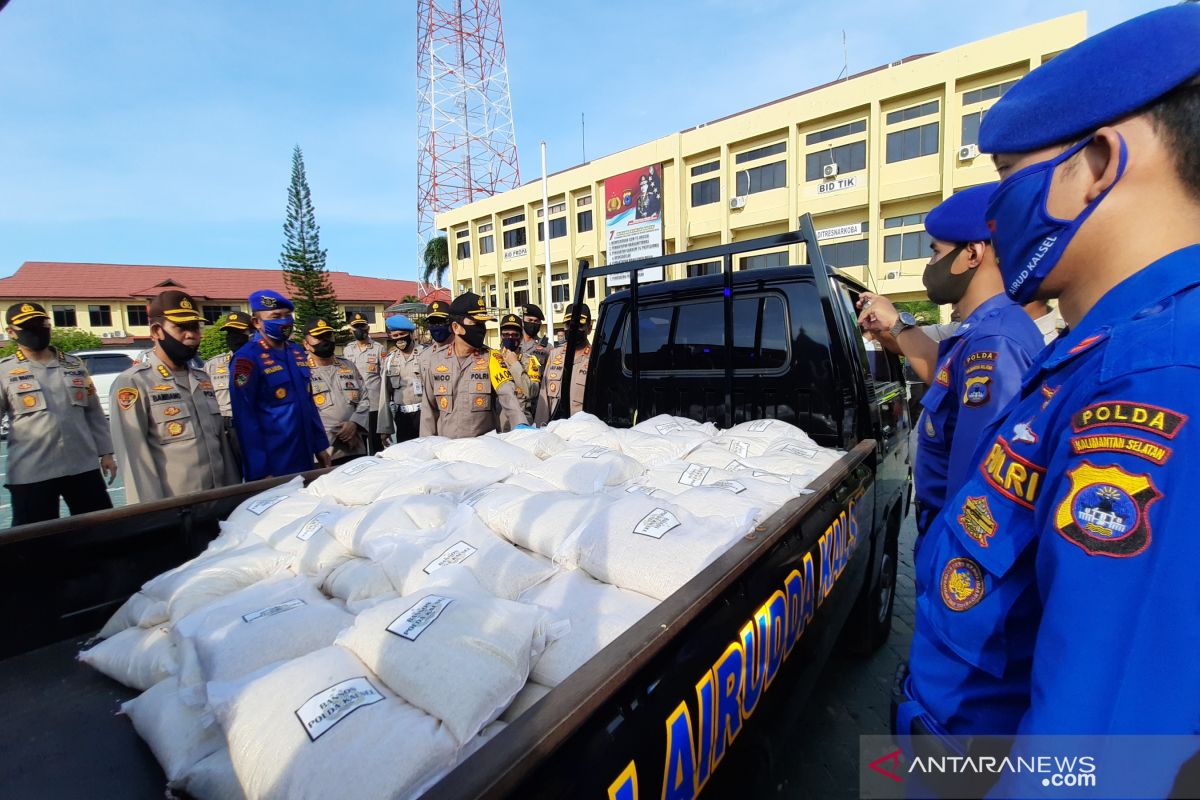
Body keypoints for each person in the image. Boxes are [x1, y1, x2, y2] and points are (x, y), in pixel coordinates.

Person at [896, 7, 1200, 796]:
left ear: (1098, 161)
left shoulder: (1157, 375)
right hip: (947, 748)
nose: (995, 219)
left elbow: (1099, 759)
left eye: (1009, 181)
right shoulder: (1096, 351)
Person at [858, 184, 1043, 540]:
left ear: (973, 253)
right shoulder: (979, 332)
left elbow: (980, 487)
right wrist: (891, 325)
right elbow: (931, 358)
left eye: (935, 251)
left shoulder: (995, 343)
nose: (931, 264)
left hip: (959, 546)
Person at [109, 291, 239, 503]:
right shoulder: (135, 382)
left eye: (195, 327)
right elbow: (135, 459)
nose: (191, 335)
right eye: (181, 327)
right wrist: (152, 516)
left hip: (218, 500)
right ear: (156, 331)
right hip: (176, 507)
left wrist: (233, 496)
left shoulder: (203, 378)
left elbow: (220, 444)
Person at [0, 302, 115, 525]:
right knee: (34, 540)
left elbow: (93, 412)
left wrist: (106, 452)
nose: (37, 330)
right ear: (12, 332)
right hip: (32, 471)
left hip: (82, 465)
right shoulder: (5, 371)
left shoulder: (73, 365)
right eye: (28, 326)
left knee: (101, 529)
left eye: (41, 324)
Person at [229, 290, 331, 481]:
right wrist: (260, 470)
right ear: (257, 322)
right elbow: (245, 419)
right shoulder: (246, 359)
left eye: (287, 316)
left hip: (304, 453)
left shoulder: (296, 352)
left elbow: (308, 403)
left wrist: (320, 445)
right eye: (275, 317)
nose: (284, 322)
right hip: (273, 462)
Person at [418, 292, 526, 438]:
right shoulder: (436, 361)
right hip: (447, 451)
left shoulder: (492, 358)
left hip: (482, 451)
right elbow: (428, 411)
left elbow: (508, 397)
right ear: (456, 327)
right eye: (476, 324)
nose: (481, 329)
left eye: (483, 324)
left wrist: (521, 427)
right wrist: (426, 449)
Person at [303, 318, 370, 465]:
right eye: (319, 337)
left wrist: (354, 424)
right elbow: (304, 412)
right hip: (323, 452)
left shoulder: (348, 365)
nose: (325, 341)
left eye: (328, 335)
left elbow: (365, 398)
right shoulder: (302, 371)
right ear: (306, 344)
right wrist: (340, 432)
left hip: (355, 447)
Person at [535, 303, 593, 425]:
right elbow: (544, 399)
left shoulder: (595, 358)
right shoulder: (555, 355)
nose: (573, 329)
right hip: (555, 431)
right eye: (569, 325)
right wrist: (540, 429)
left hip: (583, 433)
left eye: (579, 325)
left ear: (589, 328)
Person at [376, 314, 424, 446]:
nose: (399, 338)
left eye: (402, 334)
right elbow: (384, 395)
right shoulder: (390, 360)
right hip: (402, 417)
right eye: (395, 336)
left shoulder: (425, 355)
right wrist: (385, 429)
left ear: (411, 334)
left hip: (424, 415)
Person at [344, 312, 386, 455]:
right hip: (356, 406)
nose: (359, 330)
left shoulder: (378, 348)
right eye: (356, 327)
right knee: (358, 448)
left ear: (368, 328)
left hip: (374, 405)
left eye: (362, 326)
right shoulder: (347, 350)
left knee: (376, 446)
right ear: (351, 329)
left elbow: (384, 377)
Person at [205, 310, 253, 419]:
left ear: (252, 333)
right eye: (230, 333)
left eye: (238, 332)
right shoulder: (213, 365)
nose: (233, 337)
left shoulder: (265, 362)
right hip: (228, 428)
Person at [499, 313, 541, 424]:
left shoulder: (530, 361)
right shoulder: (493, 359)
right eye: (506, 334)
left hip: (522, 421)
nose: (510, 337)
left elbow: (533, 392)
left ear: (521, 337)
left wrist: (515, 365)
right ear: (501, 336)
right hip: (499, 424)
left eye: (514, 335)